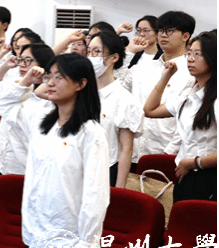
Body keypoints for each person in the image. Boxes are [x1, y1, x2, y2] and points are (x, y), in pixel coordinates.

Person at [0, 53, 109, 248]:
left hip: (68, 241)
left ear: (80, 84)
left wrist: (86, 243)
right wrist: (26, 80)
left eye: (59, 77)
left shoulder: (91, 133)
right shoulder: (41, 122)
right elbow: (6, 105)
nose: (50, 83)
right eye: (49, 76)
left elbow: (95, 195)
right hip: (35, 233)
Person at [144, 31, 216, 203]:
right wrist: (166, 77)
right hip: (186, 173)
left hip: (207, 175)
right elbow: (149, 110)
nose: (190, 59)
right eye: (189, 53)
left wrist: (193, 163)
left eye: (197, 54)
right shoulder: (189, 94)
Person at [123, 11, 195, 168]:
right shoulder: (143, 68)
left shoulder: (191, 73)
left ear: (185, 36)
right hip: (133, 152)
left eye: (170, 31)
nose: (163, 35)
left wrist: (168, 153)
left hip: (166, 155)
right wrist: (129, 51)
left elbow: (187, 121)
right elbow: (116, 85)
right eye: (161, 30)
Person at [0, 43, 55, 176]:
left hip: (25, 165)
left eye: (28, 60)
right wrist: (6, 65)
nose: (22, 64)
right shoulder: (18, 83)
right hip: (1, 158)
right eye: (21, 59)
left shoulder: (49, 98)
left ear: (43, 64)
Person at [87, 31, 142, 188]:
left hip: (106, 171)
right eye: (89, 51)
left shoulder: (124, 100)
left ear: (114, 57)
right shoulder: (80, 91)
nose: (91, 57)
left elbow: (126, 149)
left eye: (97, 51)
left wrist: (119, 188)